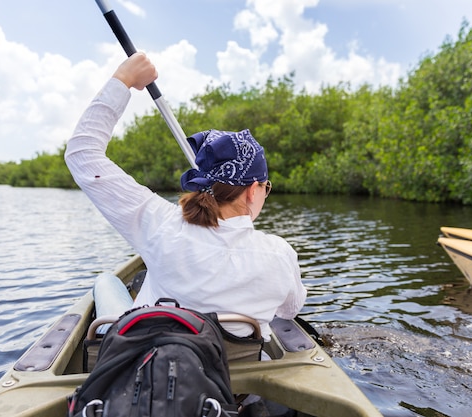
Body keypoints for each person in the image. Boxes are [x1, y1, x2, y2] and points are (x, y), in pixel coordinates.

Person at [65, 52, 306, 342]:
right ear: (253, 189)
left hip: (151, 359)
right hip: (232, 375)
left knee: (106, 281)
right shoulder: (280, 254)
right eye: (267, 187)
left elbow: (82, 153)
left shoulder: (160, 224)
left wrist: (124, 78)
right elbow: (290, 310)